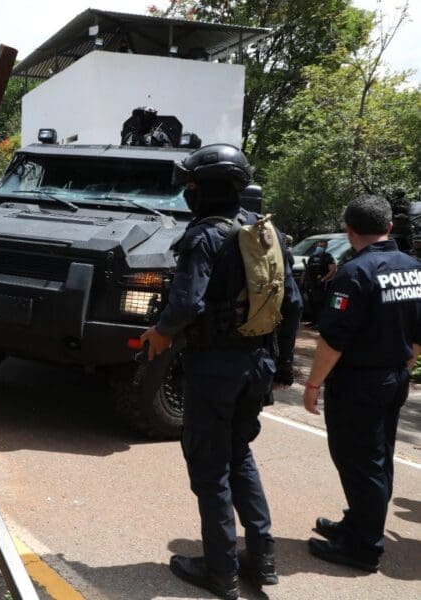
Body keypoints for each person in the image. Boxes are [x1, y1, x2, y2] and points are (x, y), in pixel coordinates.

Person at [140, 144, 302, 599]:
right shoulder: (267, 232)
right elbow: (293, 303)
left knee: (210, 467)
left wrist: (159, 333)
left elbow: (186, 304)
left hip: (215, 368)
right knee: (239, 454)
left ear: (203, 189)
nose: (188, 192)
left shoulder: (204, 237)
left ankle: (220, 571)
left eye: (191, 185)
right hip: (258, 363)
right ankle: (262, 559)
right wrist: (283, 365)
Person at [302, 195, 421, 573]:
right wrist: (405, 363)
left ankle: (363, 547)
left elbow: (333, 339)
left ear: (348, 229)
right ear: (389, 226)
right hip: (393, 376)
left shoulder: (354, 272)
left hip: (359, 383)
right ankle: (358, 524)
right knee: (377, 458)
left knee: (358, 462)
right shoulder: (414, 269)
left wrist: (313, 385)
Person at [304, 239, 336, 326]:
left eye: (322, 246)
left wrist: (323, 280)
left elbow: (333, 270)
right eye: (318, 246)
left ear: (326, 247)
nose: (319, 248)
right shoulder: (312, 257)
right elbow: (307, 270)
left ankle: (320, 323)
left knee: (320, 303)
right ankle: (314, 321)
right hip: (311, 283)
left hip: (321, 284)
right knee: (312, 303)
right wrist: (303, 281)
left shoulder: (328, 257)